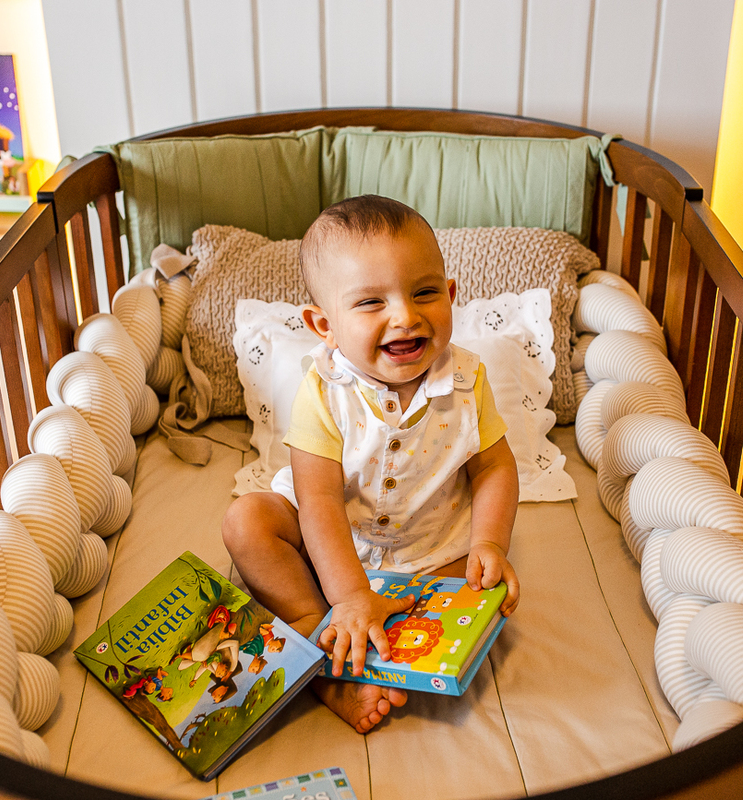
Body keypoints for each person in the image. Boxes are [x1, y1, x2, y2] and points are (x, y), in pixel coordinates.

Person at [222, 195, 521, 734]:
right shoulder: (323, 391)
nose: (405, 316)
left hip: (428, 550)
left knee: (487, 589)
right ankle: (320, 642)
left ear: (450, 296)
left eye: (425, 292)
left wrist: (491, 544)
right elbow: (317, 502)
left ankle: (378, 636)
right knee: (247, 522)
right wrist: (351, 595)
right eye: (370, 303)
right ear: (324, 325)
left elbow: (494, 468)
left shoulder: (466, 382)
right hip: (329, 544)